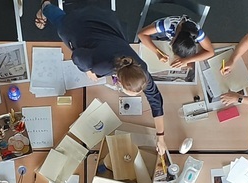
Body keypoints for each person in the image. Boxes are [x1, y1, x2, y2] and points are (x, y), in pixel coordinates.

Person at [35, 1, 167, 154]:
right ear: (120, 82)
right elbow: (77, 56)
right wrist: (88, 70)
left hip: (106, 21)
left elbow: (155, 98)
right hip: (80, 25)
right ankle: (45, 7)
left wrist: (160, 137)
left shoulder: (140, 69)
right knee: (60, 20)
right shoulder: (101, 66)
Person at [137, 15, 214, 68]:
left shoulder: (196, 32)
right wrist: (157, 52)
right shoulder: (167, 25)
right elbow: (141, 34)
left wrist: (187, 60)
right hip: (159, 33)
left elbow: (210, 52)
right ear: (173, 40)